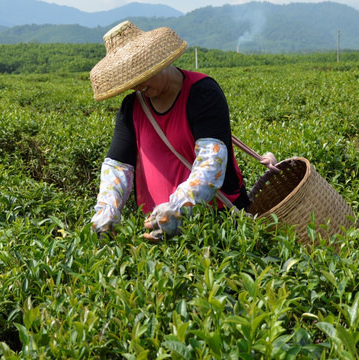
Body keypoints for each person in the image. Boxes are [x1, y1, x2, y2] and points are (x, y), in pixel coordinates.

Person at [89, 20, 253, 241]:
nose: (137, 85)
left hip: (215, 223)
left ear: (158, 62)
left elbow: (211, 162)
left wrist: (178, 209)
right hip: (157, 226)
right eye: (131, 80)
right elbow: (118, 167)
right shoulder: (132, 107)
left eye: (141, 75)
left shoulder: (202, 93)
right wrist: (107, 210)